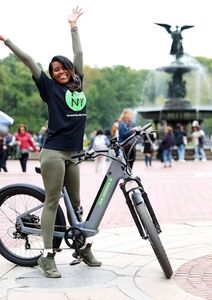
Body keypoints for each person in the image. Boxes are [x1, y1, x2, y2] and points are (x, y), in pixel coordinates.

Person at [0, 6, 101, 278]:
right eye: (54, 70)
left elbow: (79, 54)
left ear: (70, 70)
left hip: (75, 154)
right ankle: (47, 256)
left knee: (77, 204)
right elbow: (31, 61)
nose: (59, 73)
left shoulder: (78, 84)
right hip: (54, 152)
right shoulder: (49, 87)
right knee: (53, 202)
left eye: (62, 68)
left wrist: (73, 26)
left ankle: (81, 248)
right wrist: (6, 40)